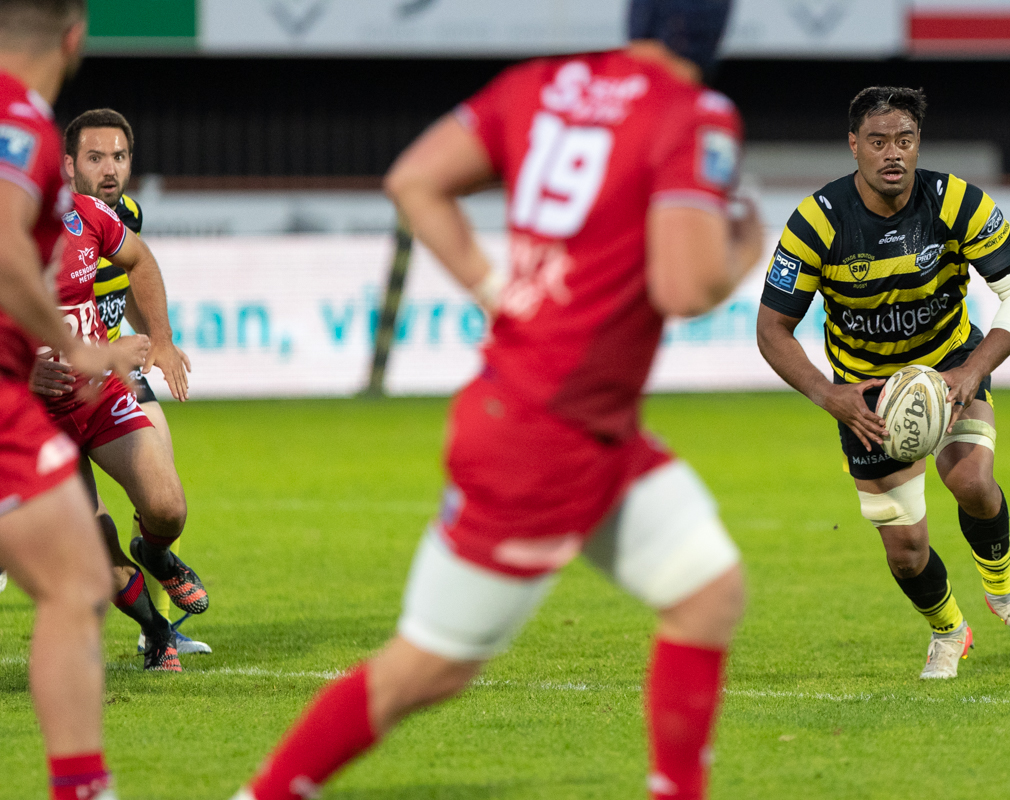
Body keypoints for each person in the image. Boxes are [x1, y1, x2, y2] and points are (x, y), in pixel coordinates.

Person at [232, 2, 763, 798]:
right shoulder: (695, 113)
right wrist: (743, 249)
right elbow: (685, 287)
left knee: (708, 591)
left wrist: (493, 289)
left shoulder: (540, 84)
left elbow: (414, 179)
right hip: (545, 438)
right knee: (429, 666)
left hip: (587, 424)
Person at [756, 86, 1010, 679]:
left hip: (949, 366)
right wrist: (829, 395)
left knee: (972, 480)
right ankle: (949, 630)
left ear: (918, 144)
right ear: (854, 145)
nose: (892, 153)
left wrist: (974, 369)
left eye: (904, 140)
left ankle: (1005, 594)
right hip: (865, 395)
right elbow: (772, 329)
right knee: (906, 552)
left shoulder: (957, 202)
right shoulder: (817, 221)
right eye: (877, 141)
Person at [0, 1, 146, 797]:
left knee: (80, 578)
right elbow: (3, 252)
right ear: (74, 35)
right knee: (76, 583)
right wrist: (79, 346)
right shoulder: (17, 119)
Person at [30, 107, 212, 656]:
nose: (109, 168)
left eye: (119, 157)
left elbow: (139, 261)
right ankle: (156, 633)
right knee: (95, 547)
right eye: (95, 157)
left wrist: (159, 339)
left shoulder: (88, 216)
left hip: (100, 389)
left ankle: (156, 553)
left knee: (168, 506)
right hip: (33, 417)